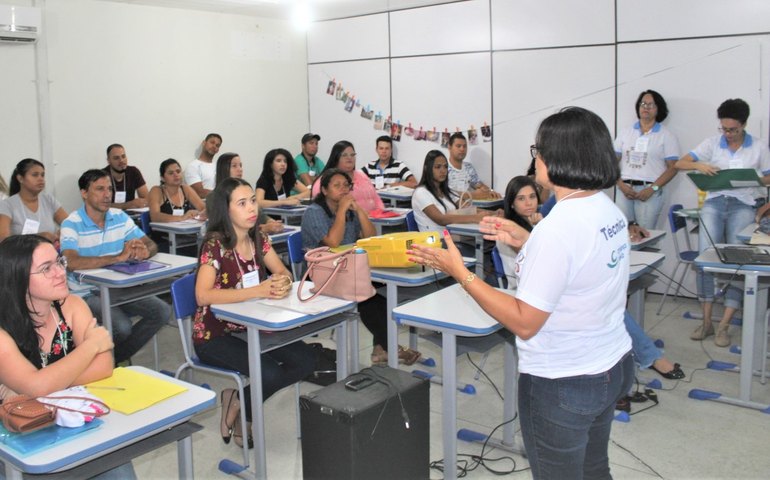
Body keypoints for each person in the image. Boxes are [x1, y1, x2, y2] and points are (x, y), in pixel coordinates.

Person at [409, 107, 634, 478]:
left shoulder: (558, 228)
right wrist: (528, 239)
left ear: (558, 158)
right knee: (595, 469)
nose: (536, 159)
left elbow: (524, 322)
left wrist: (459, 272)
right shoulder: (606, 209)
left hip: (565, 379)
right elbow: (578, 270)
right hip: (611, 363)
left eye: (538, 150)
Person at [498, 176, 684, 380]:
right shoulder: (511, 230)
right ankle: (645, 358)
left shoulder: (543, 221)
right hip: (530, 294)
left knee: (606, 302)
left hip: (556, 287)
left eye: (532, 197)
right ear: (512, 204)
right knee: (604, 306)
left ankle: (629, 363)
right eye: (521, 199)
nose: (528, 203)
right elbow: (529, 269)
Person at [0, 234, 135, 479]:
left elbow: (104, 366)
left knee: (119, 468)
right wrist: (90, 346)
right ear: (17, 279)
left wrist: (46, 384)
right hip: (16, 434)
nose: (60, 273)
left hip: (68, 419)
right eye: (46, 269)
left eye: (59, 262)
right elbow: (35, 386)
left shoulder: (71, 305)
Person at [194, 177, 316, 448]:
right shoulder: (215, 245)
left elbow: (283, 272)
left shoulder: (258, 239)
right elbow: (202, 295)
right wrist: (258, 291)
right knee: (269, 373)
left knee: (307, 360)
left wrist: (281, 282)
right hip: (215, 333)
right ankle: (243, 415)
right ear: (226, 211)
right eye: (242, 203)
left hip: (254, 326)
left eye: (252, 201)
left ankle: (236, 399)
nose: (251, 208)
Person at [675, 98, 770, 347]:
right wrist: (699, 165)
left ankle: (725, 324)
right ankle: (706, 321)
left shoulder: (759, 147)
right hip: (715, 204)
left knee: (738, 259)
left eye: (732, 130)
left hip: (744, 204)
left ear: (744, 125)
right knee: (705, 258)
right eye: (724, 129)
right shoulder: (712, 143)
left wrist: (753, 179)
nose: (727, 134)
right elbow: (679, 163)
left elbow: (769, 178)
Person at [302, 168, 420, 365]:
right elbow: (333, 242)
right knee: (369, 299)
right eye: (337, 186)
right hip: (322, 273)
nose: (343, 190)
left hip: (348, 268)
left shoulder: (348, 209)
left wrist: (359, 211)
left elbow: (370, 236)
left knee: (382, 296)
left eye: (346, 186)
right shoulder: (314, 212)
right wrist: (341, 211)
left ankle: (381, 348)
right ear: (324, 190)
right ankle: (389, 348)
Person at [60, 169, 169, 364]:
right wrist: (117, 258)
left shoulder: (119, 216)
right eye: (99, 189)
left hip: (117, 287)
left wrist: (145, 251)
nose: (107, 194)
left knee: (161, 311)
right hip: (85, 292)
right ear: (84, 193)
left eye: (109, 189)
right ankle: (95, 361)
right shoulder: (72, 223)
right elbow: (71, 262)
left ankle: (111, 359)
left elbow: (150, 243)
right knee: (121, 326)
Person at [614, 90, 680, 229]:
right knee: (623, 234)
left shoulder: (666, 135)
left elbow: (673, 168)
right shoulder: (626, 132)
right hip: (624, 189)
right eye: (643, 104)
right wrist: (620, 185)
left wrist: (653, 189)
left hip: (650, 191)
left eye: (651, 105)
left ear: (658, 109)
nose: (646, 107)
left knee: (645, 236)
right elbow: (611, 162)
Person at [0, 158, 68, 244]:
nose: (41, 179)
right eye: (35, 175)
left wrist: (63, 232)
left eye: (42, 175)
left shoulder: (49, 200)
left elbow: (70, 224)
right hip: (22, 255)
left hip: (50, 253)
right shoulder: (7, 205)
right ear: (20, 178)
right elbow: (3, 239)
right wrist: (38, 237)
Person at [215, 152, 284, 235]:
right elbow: (230, 228)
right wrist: (264, 228)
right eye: (234, 166)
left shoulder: (246, 190)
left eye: (240, 165)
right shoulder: (214, 197)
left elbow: (260, 215)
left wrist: (271, 222)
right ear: (223, 169)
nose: (240, 169)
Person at [311, 140, 385, 212]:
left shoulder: (362, 175)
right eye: (344, 155)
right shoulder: (324, 181)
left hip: (375, 220)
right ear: (336, 158)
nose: (349, 158)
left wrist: (381, 213)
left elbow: (376, 198)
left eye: (352, 155)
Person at [446, 132, 501, 200]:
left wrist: (491, 192)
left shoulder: (468, 167)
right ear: (449, 147)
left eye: (464, 146)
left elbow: (480, 186)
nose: (462, 149)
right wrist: (473, 195)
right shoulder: (443, 167)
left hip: (468, 208)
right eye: (458, 146)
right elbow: (445, 194)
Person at [102, 144, 149, 210]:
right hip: (108, 216)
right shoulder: (101, 176)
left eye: (123, 156)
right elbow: (100, 204)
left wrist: (141, 203)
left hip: (130, 215)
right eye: (116, 158)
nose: (121, 160)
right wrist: (127, 205)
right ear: (108, 161)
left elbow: (146, 199)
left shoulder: (133, 172)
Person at [185, 133, 222, 198]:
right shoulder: (193, 166)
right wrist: (223, 194)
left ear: (218, 150)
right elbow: (200, 193)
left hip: (221, 205)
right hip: (203, 206)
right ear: (204, 143)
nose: (214, 146)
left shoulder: (219, 166)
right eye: (212, 142)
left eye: (217, 145)